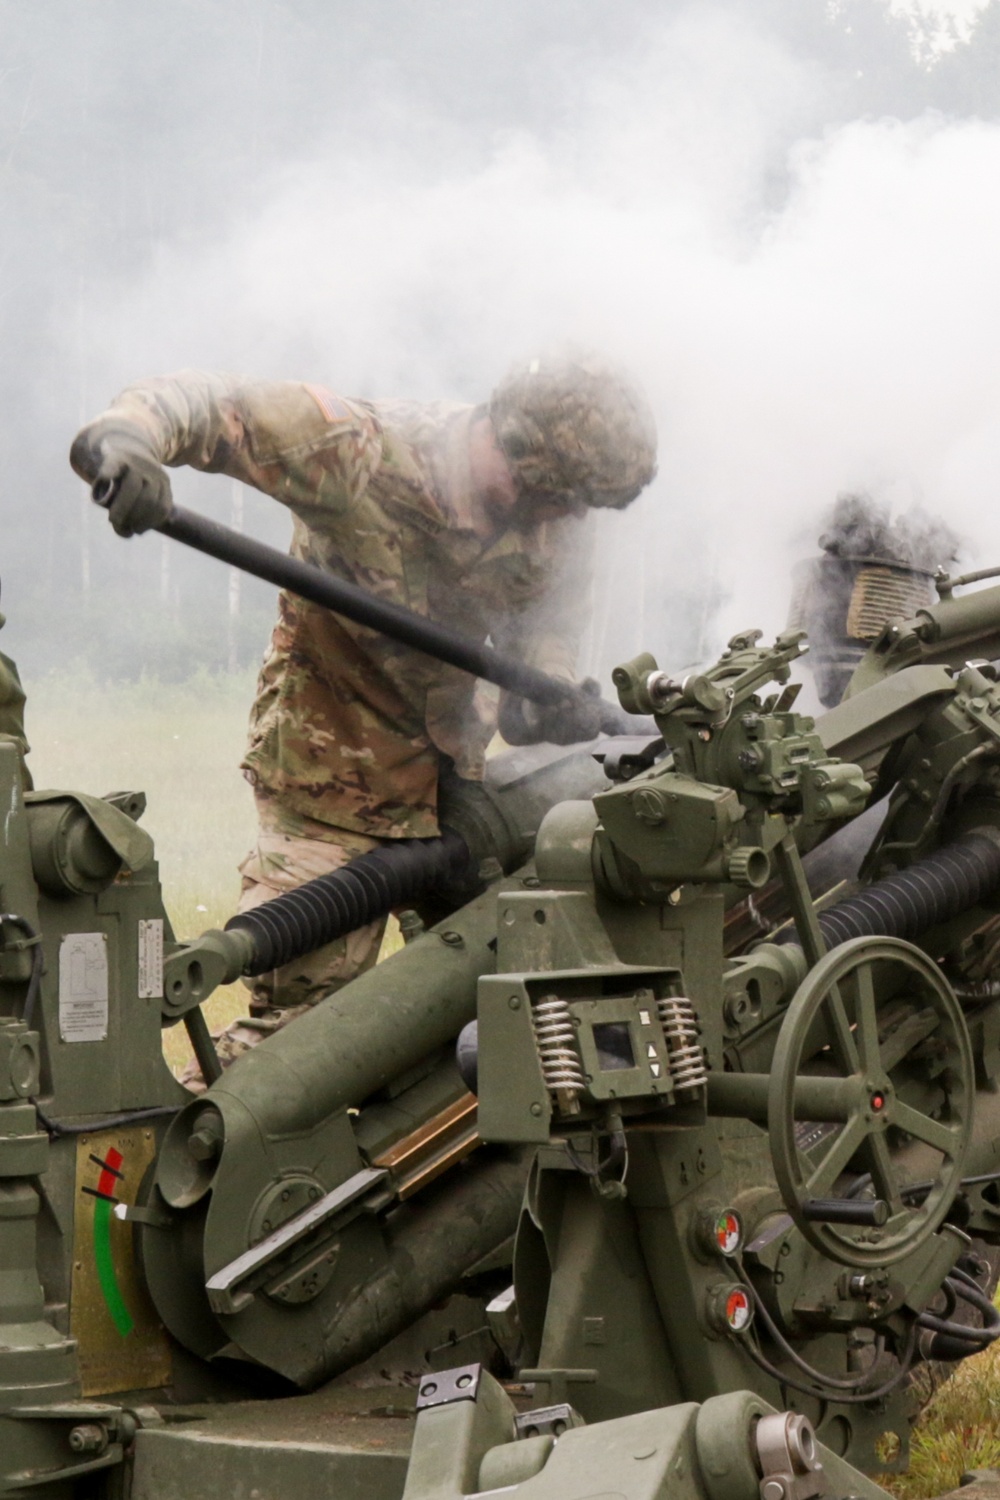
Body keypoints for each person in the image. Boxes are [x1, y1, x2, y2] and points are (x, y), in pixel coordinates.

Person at [70, 351, 657, 1074]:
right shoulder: (361, 452)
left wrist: (549, 690)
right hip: (328, 788)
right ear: (504, 437)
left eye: (569, 508)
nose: (555, 522)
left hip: (453, 795)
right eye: (543, 498)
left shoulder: (556, 509)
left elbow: (549, 620)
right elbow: (204, 403)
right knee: (296, 1053)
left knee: (514, 1024)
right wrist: (125, 447)